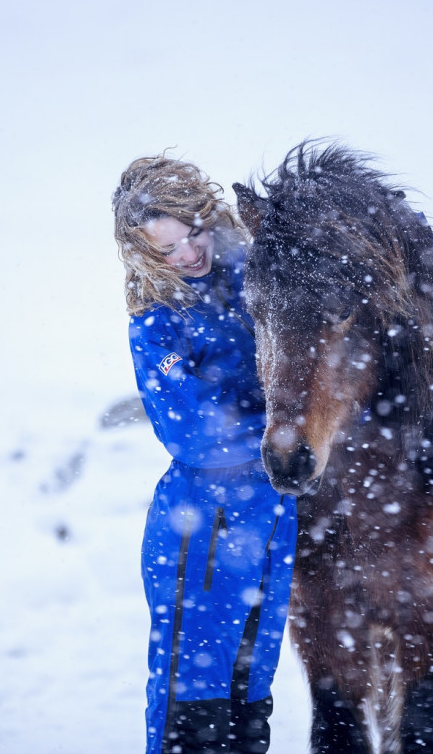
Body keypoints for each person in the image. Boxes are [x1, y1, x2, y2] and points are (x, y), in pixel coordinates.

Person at [112, 154, 297, 754]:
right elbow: (191, 435)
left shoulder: (257, 282)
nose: (189, 253)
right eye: (167, 249)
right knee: (192, 710)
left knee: (250, 703)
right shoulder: (156, 323)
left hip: (271, 519)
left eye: (193, 232)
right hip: (201, 531)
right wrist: (284, 436)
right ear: (144, 255)